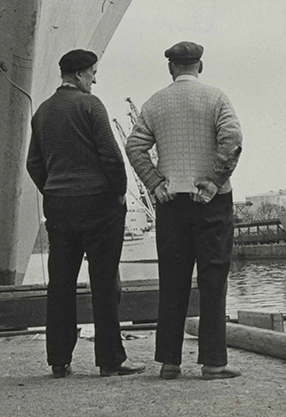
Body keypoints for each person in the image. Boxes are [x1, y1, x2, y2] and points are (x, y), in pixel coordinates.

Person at [125, 41, 243, 380]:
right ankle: (213, 362)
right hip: (212, 202)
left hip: (171, 202)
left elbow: (135, 145)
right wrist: (213, 180)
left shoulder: (155, 103)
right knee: (213, 279)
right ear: (200, 66)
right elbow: (232, 140)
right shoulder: (217, 99)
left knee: (173, 281)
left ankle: (169, 362)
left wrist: (154, 181)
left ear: (171, 68)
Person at [26, 49, 145, 379]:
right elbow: (111, 156)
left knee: (60, 284)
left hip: (59, 208)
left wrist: (54, 188)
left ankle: (59, 360)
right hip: (98, 206)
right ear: (79, 75)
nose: (95, 78)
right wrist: (119, 192)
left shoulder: (43, 112)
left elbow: (33, 163)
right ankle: (110, 360)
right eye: (93, 72)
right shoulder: (91, 106)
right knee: (104, 283)